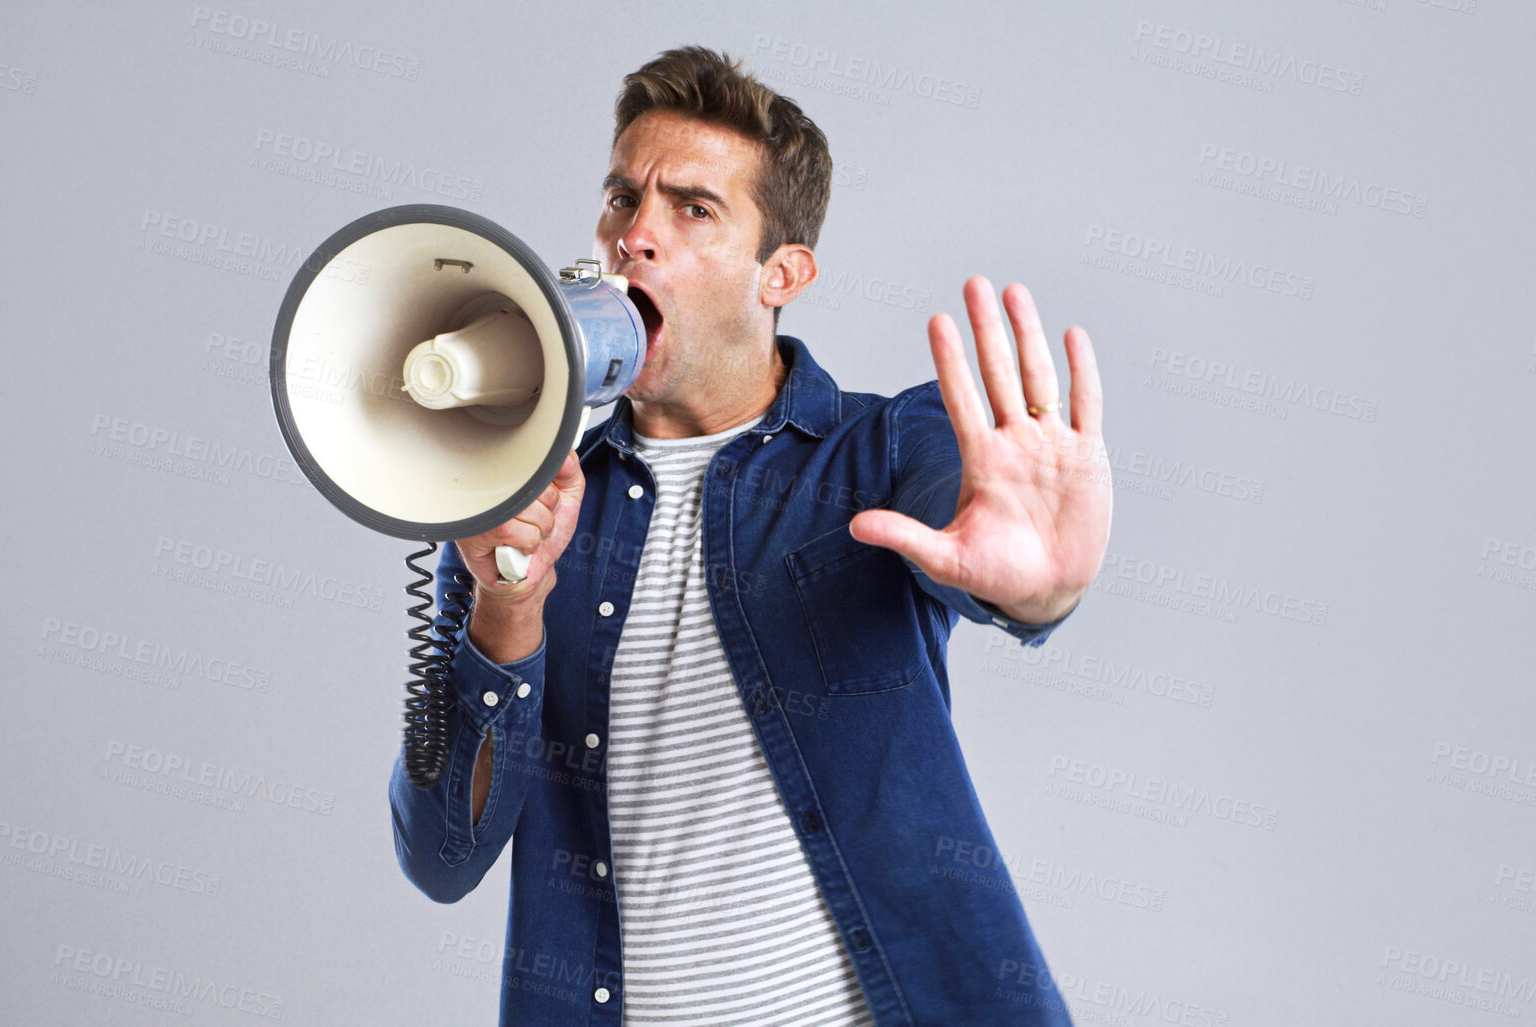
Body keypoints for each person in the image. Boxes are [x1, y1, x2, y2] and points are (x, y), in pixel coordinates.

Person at [390, 45, 1111, 1026]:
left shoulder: (885, 447)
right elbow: (439, 855)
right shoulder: (515, 506)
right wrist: (505, 606)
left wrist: (1039, 588)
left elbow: (979, 532)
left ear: (784, 272)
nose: (634, 235)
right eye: (620, 199)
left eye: (693, 208)